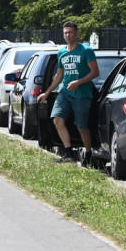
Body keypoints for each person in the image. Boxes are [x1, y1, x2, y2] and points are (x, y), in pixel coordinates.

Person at [40, 21, 99, 163]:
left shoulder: (86, 50)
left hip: (82, 94)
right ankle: (68, 153)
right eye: (65, 32)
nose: (68, 35)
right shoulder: (61, 52)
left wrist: (78, 82)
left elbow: (95, 72)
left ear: (77, 33)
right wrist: (47, 92)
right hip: (65, 92)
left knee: (82, 128)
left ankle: (89, 154)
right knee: (57, 119)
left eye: (71, 32)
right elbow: (59, 75)